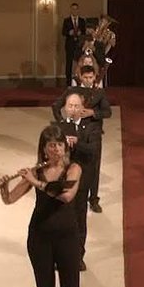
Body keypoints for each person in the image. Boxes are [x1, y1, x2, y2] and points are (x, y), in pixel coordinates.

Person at [0, 125, 91, 287]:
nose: (56, 149)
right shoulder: (36, 171)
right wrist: (3, 185)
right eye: (51, 145)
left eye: (59, 144)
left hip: (67, 236)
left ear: (65, 146)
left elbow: (66, 196)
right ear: (44, 149)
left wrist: (36, 183)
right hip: (40, 237)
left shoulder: (74, 168)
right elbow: (10, 199)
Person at [53, 66, 112, 214]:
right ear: (80, 77)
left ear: (94, 77)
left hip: (92, 131)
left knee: (94, 166)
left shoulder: (99, 92)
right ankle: (69, 192)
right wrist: (63, 122)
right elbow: (56, 106)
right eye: (85, 78)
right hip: (74, 129)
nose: (88, 80)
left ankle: (93, 199)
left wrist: (92, 112)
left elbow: (107, 112)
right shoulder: (71, 91)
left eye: (90, 78)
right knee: (70, 163)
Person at [59, 90, 101, 269]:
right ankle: (61, 255)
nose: (73, 109)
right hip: (62, 180)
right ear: (65, 108)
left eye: (77, 106)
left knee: (79, 218)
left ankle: (78, 256)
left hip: (82, 181)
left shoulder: (92, 126)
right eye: (70, 105)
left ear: (82, 107)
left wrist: (77, 142)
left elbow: (93, 150)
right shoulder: (59, 127)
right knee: (62, 220)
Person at [62, 3, 87, 76]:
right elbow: (63, 32)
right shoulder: (66, 20)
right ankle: (68, 82)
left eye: (76, 9)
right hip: (70, 45)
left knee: (80, 62)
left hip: (80, 45)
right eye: (73, 9)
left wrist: (81, 33)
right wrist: (69, 33)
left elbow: (85, 32)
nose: (74, 11)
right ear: (71, 10)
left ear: (78, 10)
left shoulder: (82, 21)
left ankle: (80, 79)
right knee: (69, 63)